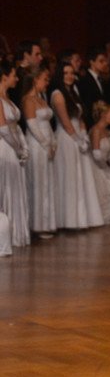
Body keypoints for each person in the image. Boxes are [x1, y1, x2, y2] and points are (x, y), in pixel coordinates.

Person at [51, 61, 104, 229]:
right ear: (60, 75)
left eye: (72, 73)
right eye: (66, 73)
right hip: (67, 138)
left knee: (82, 176)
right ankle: (68, 220)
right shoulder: (57, 94)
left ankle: (82, 219)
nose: (70, 76)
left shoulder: (73, 92)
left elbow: (80, 118)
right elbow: (65, 121)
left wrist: (84, 136)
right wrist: (77, 139)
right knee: (70, 177)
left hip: (79, 137)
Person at [21, 67, 58, 237]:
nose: (47, 82)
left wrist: (53, 142)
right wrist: (46, 144)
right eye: (44, 79)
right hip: (37, 145)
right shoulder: (28, 100)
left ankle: (47, 223)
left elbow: (48, 124)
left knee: (47, 182)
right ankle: (37, 224)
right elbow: (32, 125)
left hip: (47, 143)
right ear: (35, 79)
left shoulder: (41, 99)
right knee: (38, 182)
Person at [0, 59, 30, 247]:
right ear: (4, 77)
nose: (17, 79)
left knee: (15, 188)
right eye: (14, 75)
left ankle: (16, 233)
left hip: (13, 146)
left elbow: (15, 127)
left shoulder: (8, 98)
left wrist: (23, 146)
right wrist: (18, 148)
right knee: (6, 188)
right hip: (4, 147)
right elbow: (3, 129)